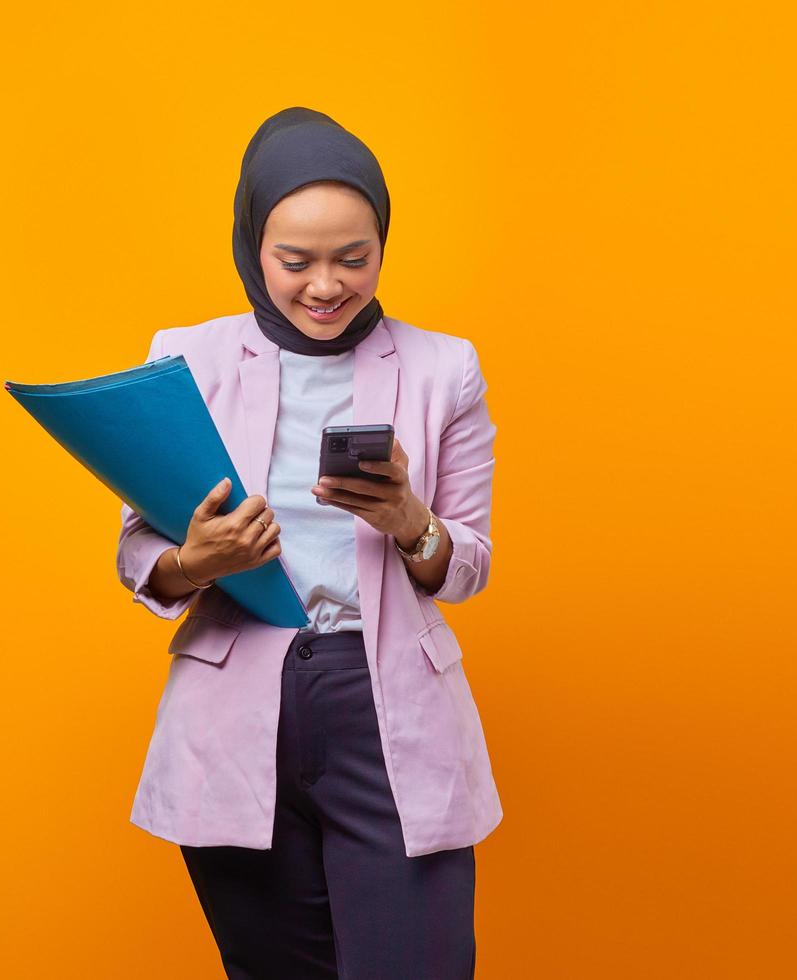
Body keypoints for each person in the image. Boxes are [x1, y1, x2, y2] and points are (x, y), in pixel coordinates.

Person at [115, 106, 500, 979]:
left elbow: (469, 563)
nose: (325, 285)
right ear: (254, 247)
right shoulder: (188, 358)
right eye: (295, 261)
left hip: (386, 695)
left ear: (382, 244)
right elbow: (138, 549)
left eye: (352, 258)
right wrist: (194, 562)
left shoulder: (446, 369)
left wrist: (411, 521)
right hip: (237, 701)